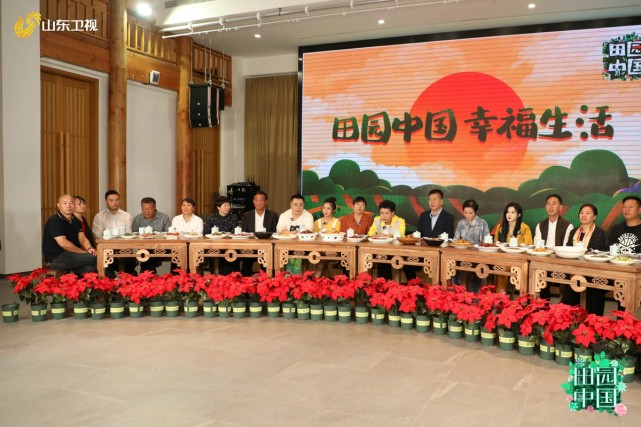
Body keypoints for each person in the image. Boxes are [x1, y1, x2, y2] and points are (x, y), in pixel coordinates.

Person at [563, 204, 607, 315]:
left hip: (593, 271)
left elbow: (596, 250)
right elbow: (568, 248)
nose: (584, 215)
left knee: (595, 292)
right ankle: (569, 319)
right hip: (574, 269)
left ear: (594, 216)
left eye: (588, 213)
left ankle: (593, 320)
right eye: (582, 213)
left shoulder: (599, 232)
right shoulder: (574, 232)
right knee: (571, 287)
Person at [42, 194, 97, 275]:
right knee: (95, 257)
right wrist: (82, 252)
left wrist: (89, 248)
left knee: (90, 269)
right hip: (58, 257)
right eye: (65, 203)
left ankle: (73, 276)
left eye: (71, 203)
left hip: (71, 255)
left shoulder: (75, 220)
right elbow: (64, 244)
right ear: (59, 206)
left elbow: (82, 238)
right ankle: (112, 278)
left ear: (74, 205)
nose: (68, 206)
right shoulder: (54, 220)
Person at [533, 194, 574, 299]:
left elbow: (565, 248)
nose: (551, 207)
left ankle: (563, 305)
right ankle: (543, 305)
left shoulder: (568, 226)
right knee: (538, 273)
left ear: (561, 207)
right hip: (543, 261)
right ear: (545, 207)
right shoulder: (540, 225)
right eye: (548, 204)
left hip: (560, 262)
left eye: (554, 204)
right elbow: (538, 246)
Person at [92, 190, 136, 276]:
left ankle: (126, 279)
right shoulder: (99, 216)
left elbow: (128, 234)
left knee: (130, 261)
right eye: (111, 200)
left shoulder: (127, 216)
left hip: (123, 246)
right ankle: (112, 281)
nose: (114, 202)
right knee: (105, 264)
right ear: (106, 201)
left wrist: (123, 246)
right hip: (106, 248)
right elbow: (98, 236)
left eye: (117, 200)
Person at [494, 202, 533, 293]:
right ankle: (501, 296)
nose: (509, 215)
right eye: (507, 212)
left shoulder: (525, 228)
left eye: (512, 212)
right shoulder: (500, 228)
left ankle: (521, 296)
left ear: (519, 214)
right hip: (503, 259)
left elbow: (528, 246)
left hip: (519, 260)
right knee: (500, 267)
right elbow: (496, 244)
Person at [453, 199, 490, 292]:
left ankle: (475, 293)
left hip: (477, 255)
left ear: (476, 212)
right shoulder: (461, 223)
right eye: (465, 213)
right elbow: (456, 240)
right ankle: (458, 291)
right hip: (462, 254)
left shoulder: (482, 223)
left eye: (470, 213)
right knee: (454, 265)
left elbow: (486, 243)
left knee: (477, 269)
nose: (468, 215)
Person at [240, 191, 278, 276]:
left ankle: (266, 281)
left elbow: (275, 233)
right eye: (256, 200)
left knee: (267, 265)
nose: (258, 202)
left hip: (266, 247)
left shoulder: (273, 215)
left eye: (261, 200)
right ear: (253, 201)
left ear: (266, 202)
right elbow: (244, 233)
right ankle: (246, 282)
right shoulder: (247, 215)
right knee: (246, 262)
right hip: (250, 246)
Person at [132, 197, 171, 274]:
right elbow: (134, 234)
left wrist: (155, 235)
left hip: (161, 247)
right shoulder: (138, 218)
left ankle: (146, 277)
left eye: (150, 208)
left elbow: (169, 234)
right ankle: (151, 277)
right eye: (144, 209)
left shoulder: (164, 217)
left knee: (147, 255)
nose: (147, 211)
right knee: (147, 252)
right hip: (143, 247)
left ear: (155, 207)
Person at [368, 200, 406, 279]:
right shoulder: (377, 219)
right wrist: (376, 235)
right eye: (382, 213)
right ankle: (383, 281)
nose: (384, 216)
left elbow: (401, 235)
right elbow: (370, 233)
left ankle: (385, 281)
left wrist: (391, 235)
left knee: (383, 256)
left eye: (387, 213)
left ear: (392, 213)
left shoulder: (400, 221)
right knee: (381, 255)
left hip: (395, 250)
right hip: (380, 249)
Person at [277, 194, 314, 274]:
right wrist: (290, 233)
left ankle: (296, 276)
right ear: (290, 204)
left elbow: (309, 230)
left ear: (304, 205)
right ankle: (288, 276)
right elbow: (280, 229)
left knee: (297, 254)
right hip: (286, 245)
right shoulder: (284, 215)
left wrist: (293, 233)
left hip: (303, 246)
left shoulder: (308, 216)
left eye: (301, 205)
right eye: (295, 205)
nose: (298, 208)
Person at [203, 196, 239, 275]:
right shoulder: (212, 218)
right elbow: (206, 233)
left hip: (230, 245)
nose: (227, 207)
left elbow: (235, 232)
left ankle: (232, 277)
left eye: (228, 205)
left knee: (233, 255)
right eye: (225, 205)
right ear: (218, 207)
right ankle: (216, 276)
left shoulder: (233, 217)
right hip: (215, 245)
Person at [313, 197, 342, 277]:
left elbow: (338, 238)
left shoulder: (337, 222)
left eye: (328, 208)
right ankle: (325, 281)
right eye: (324, 208)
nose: (325, 210)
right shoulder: (317, 222)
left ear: (333, 210)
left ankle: (315, 280)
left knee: (322, 261)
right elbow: (314, 238)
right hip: (319, 249)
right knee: (321, 259)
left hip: (333, 249)